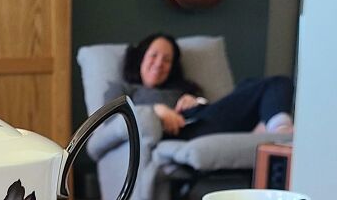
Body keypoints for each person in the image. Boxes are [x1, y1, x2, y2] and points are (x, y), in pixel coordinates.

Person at [105, 33, 294, 140]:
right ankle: (281, 135)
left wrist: (196, 100)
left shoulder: (180, 88)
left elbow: (211, 107)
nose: (159, 63)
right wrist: (156, 111)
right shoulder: (124, 88)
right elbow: (110, 120)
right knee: (276, 83)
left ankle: (270, 128)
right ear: (141, 57)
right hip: (178, 130)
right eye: (154, 55)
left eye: (167, 59)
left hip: (200, 118)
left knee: (253, 84)